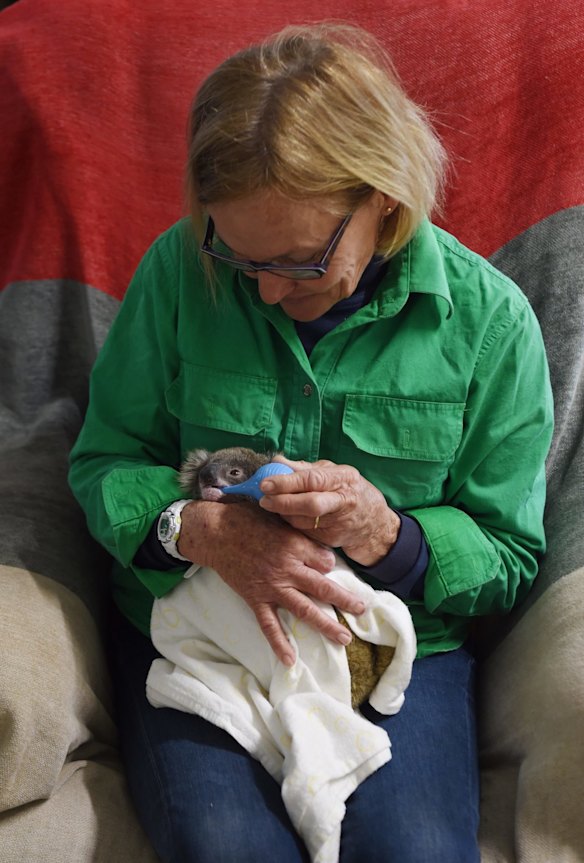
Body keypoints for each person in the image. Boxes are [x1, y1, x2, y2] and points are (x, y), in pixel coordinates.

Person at [68, 22, 553, 863]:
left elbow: (510, 551)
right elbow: (104, 463)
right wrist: (202, 531)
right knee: (226, 847)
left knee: (418, 854)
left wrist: (386, 535)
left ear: (386, 202)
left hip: (394, 644)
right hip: (195, 627)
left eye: (295, 261)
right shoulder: (181, 273)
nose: (260, 288)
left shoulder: (491, 324)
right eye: (237, 253)